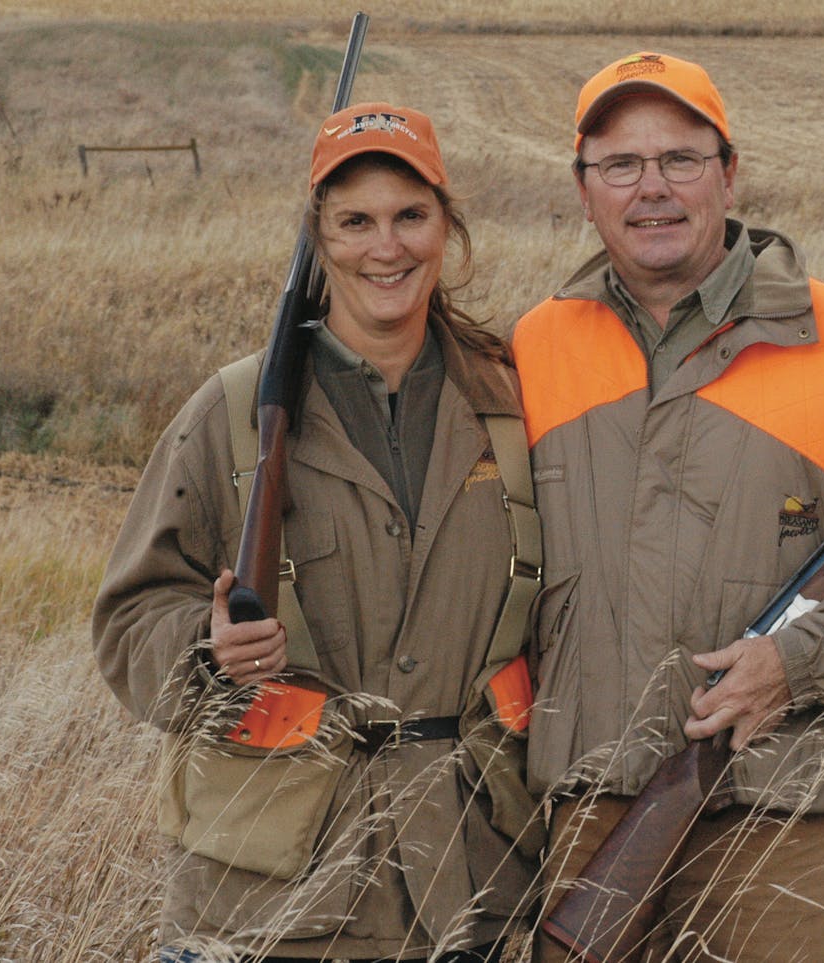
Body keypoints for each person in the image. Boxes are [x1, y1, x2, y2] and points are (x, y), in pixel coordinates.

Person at [512, 53, 824, 963]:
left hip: (791, 822)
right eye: (620, 165)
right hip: (584, 819)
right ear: (583, 191)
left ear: (729, 174)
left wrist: (799, 666)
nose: (652, 188)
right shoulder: (532, 349)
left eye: (681, 159)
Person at [93, 103, 538, 962]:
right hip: (266, 899)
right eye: (355, 221)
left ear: (448, 225)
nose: (387, 247)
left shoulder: (516, 406)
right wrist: (207, 647)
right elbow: (127, 619)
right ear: (319, 238)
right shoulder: (229, 415)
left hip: (470, 885)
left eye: (411, 216)